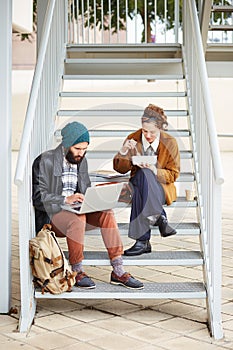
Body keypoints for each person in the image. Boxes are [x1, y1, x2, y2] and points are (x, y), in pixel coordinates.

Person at [32, 121, 143, 290]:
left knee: (107, 213)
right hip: (53, 217)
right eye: (77, 149)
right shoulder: (44, 161)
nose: (81, 153)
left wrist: (94, 198)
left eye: (84, 149)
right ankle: (77, 271)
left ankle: (118, 270)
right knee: (78, 218)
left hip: (76, 212)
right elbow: (38, 196)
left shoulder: (81, 161)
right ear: (66, 145)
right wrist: (65, 199)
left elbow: (85, 191)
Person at [113, 104, 180, 256]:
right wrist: (123, 151)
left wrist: (155, 170)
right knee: (142, 175)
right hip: (137, 181)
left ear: (161, 128)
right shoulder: (133, 138)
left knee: (143, 181)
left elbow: (173, 174)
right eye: (145, 131)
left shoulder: (170, 143)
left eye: (153, 132)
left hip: (160, 188)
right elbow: (119, 168)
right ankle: (158, 216)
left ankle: (142, 241)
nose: (148, 135)